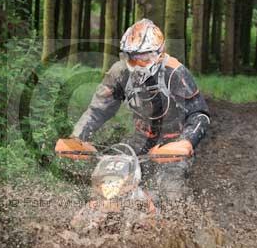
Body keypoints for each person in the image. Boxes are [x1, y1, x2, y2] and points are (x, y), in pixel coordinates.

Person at [71, 18, 210, 200]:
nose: (137, 64)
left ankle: (176, 225)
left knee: (171, 192)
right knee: (108, 179)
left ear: (158, 54)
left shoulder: (175, 73)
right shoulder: (120, 72)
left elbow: (199, 114)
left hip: (172, 143)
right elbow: (98, 109)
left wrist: (186, 142)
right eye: (132, 58)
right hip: (140, 138)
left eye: (144, 58)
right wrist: (77, 137)